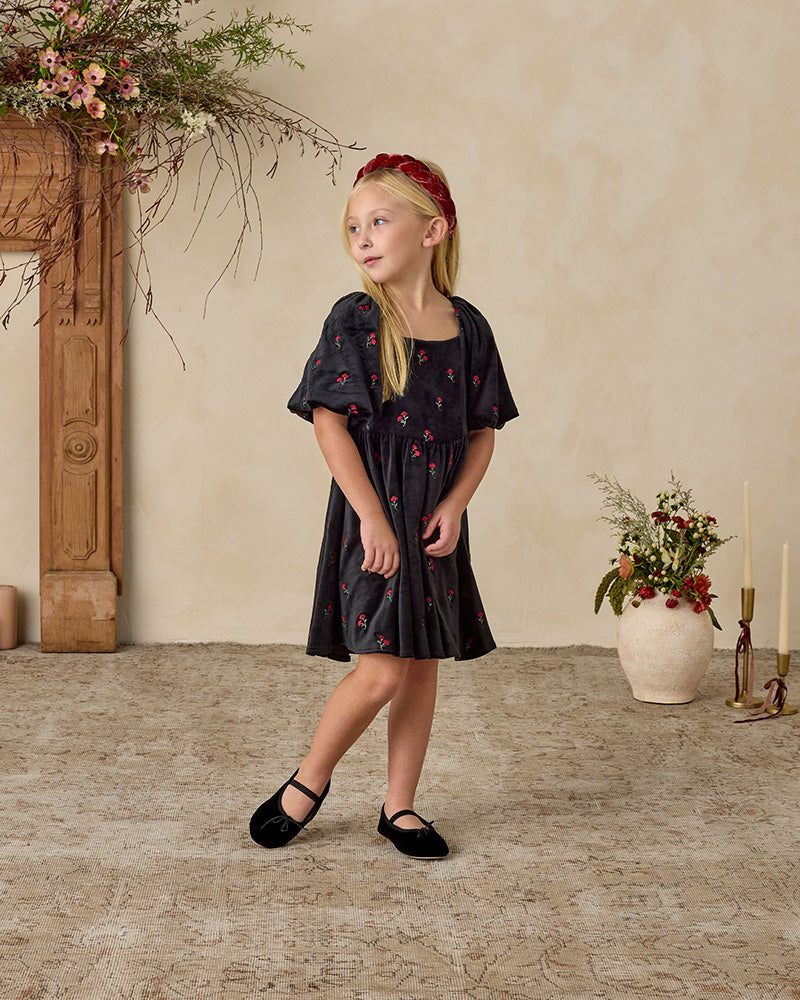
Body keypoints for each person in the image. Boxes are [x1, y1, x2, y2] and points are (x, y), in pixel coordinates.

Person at [249, 153, 518, 860]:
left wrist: (457, 504)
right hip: (375, 513)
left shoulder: (468, 327)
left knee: (421, 662)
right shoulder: (356, 319)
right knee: (382, 668)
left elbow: (483, 431)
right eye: (353, 227)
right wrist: (369, 515)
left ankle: (399, 807)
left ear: (433, 231)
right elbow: (329, 421)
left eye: (379, 220)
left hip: (433, 519)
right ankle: (308, 782)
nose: (363, 237)